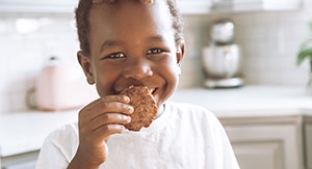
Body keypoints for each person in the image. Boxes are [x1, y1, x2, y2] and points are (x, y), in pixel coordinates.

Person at [36, 0, 240, 168]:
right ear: (89, 68)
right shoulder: (63, 144)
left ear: (178, 57)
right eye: (116, 55)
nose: (139, 71)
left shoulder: (202, 126)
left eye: (155, 51)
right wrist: (86, 160)